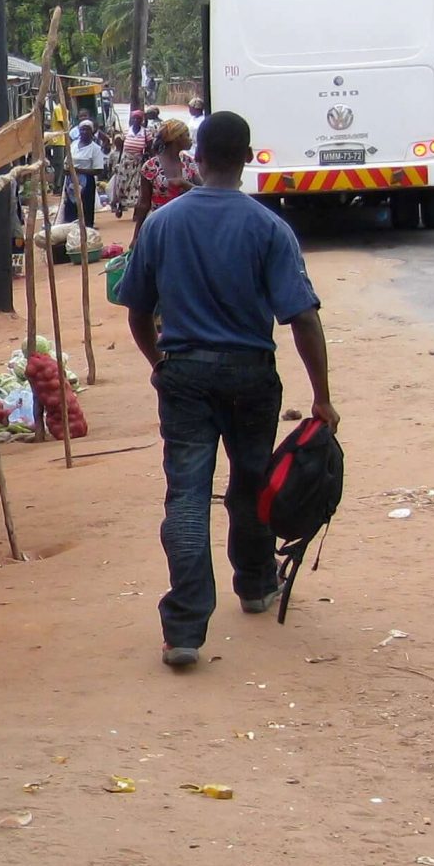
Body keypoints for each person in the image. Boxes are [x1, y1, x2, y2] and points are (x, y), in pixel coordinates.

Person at [113, 111, 338, 670]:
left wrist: (159, 364)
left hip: (184, 375)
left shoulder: (162, 225)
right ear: (247, 158)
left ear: (198, 158)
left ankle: (184, 629)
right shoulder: (269, 228)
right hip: (250, 375)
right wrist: (321, 396)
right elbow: (302, 318)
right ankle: (257, 584)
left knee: (187, 496)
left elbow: (137, 312)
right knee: (251, 480)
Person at [139, 118, 194, 213]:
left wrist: (184, 184)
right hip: (161, 219)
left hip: (186, 218)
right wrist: (139, 223)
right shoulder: (151, 166)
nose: (190, 139)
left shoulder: (188, 161)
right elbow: (144, 204)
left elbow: (204, 191)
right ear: (177, 138)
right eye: (187, 135)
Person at [66, 119, 108, 224]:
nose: (84, 132)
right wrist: (67, 170)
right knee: (71, 206)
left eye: (87, 129)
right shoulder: (74, 145)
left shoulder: (95, 149)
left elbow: (98, 170)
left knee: (86, 207)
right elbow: (67, 161)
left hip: (87, 182)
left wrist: (79, 170)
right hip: (71, 181)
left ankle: (87, 227)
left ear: (92, 131)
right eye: (82, 129)